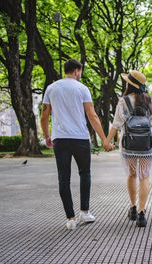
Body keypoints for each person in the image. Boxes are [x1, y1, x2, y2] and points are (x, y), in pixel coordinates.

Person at [41, 59, 113, 230]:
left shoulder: (51, 88)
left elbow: (44, 116)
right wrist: (104, 139)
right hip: (80, 138)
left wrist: (47, 136)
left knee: (63, 178)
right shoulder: (82, 89)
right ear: (77, 71)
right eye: (80, 71)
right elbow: (92, 115)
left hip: (60, 139)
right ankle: (85, 212)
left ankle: (70, 218)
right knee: (85, 173)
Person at [105, 70, 152, 228]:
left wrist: (106, 141)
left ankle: (132, 208)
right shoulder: (150, 101)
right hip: (147, 146)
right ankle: (142, 214)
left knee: (132, 174)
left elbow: (116, 124)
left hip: (129, 145)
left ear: (129, 84)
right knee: (144, 176)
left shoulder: (123, 101)